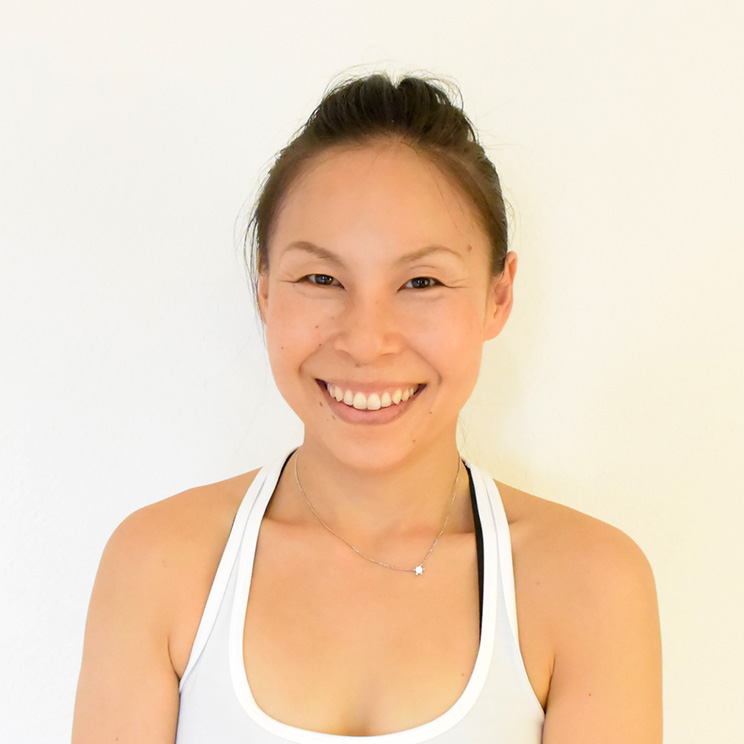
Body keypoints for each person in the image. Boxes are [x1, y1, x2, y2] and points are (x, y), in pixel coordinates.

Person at [72, 73, 662, 743]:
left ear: (498, 297)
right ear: (264, 290)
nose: (365, 341)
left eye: (421, 281)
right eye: (321, 278)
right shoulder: (159, 565)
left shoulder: (590, 584)